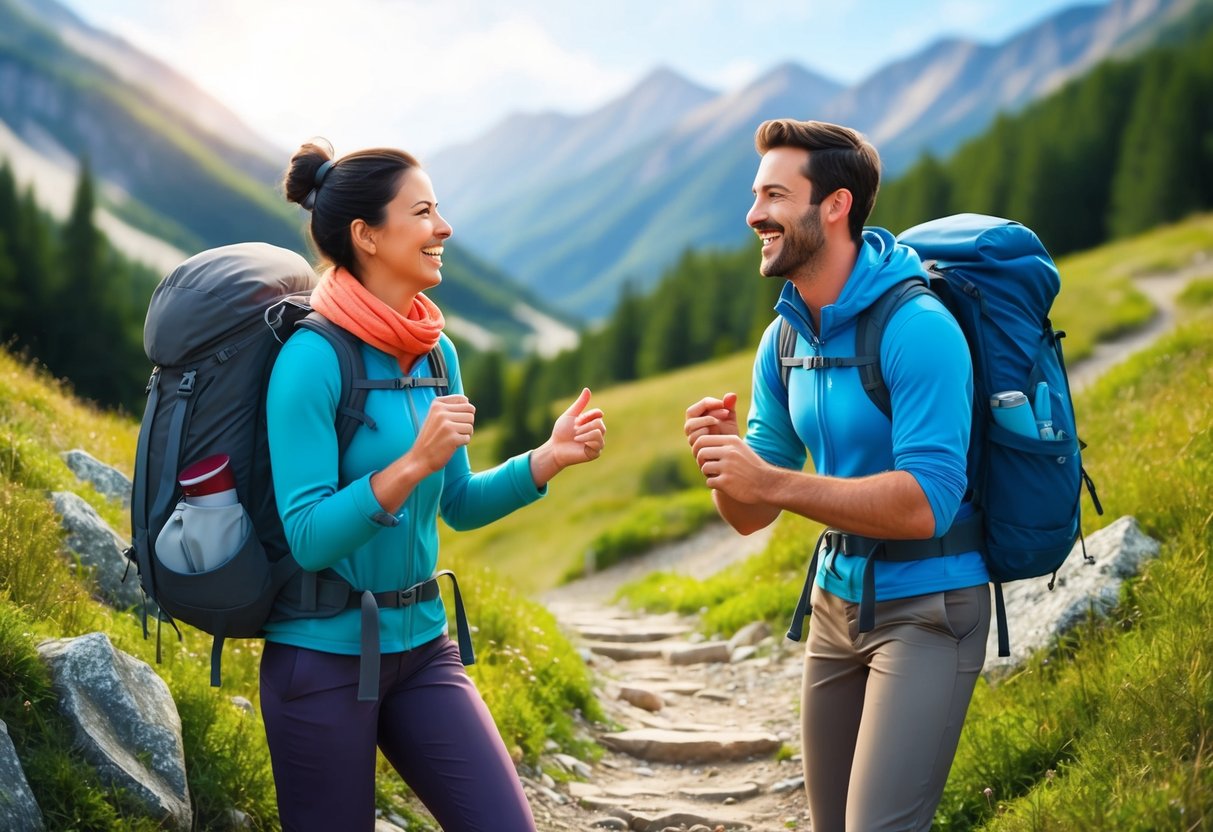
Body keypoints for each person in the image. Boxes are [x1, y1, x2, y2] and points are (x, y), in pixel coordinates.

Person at [264, 139, 606, 832]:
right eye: (422, 212)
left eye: (439, 210)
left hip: (422, 648)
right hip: (321, 657)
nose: (443, 228)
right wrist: (409, 465)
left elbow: (459, 502)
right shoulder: (311, 358)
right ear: (365, 235)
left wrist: (546, 459)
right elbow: (306, 538)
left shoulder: (433, 350)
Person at [683, 119, 990, 831]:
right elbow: (749, 515)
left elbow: (927, 504)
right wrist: (727, 462)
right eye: (755, 194)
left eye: (773, 195)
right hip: (834, 607)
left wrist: (775, 484)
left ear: (835, 205)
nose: (754, 214)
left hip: (928, 609)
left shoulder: (917, 327)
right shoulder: (783, 337)